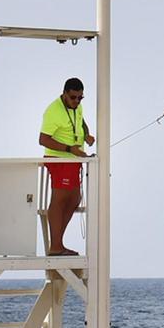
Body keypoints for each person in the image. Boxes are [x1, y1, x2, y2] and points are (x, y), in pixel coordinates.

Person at [38, 77, 94, 256]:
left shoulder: (77, 106)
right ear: (64, 94)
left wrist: (87, 134)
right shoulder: (53, 111)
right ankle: (55, 247)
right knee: (60, 200)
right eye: (73, 97)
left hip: (73, 160)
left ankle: (58, 244)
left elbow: (80, 119)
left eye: (80, 98)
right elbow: (43, 139)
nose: (76, 101)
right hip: (59, 159)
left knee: (74, 199)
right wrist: (71, 149)